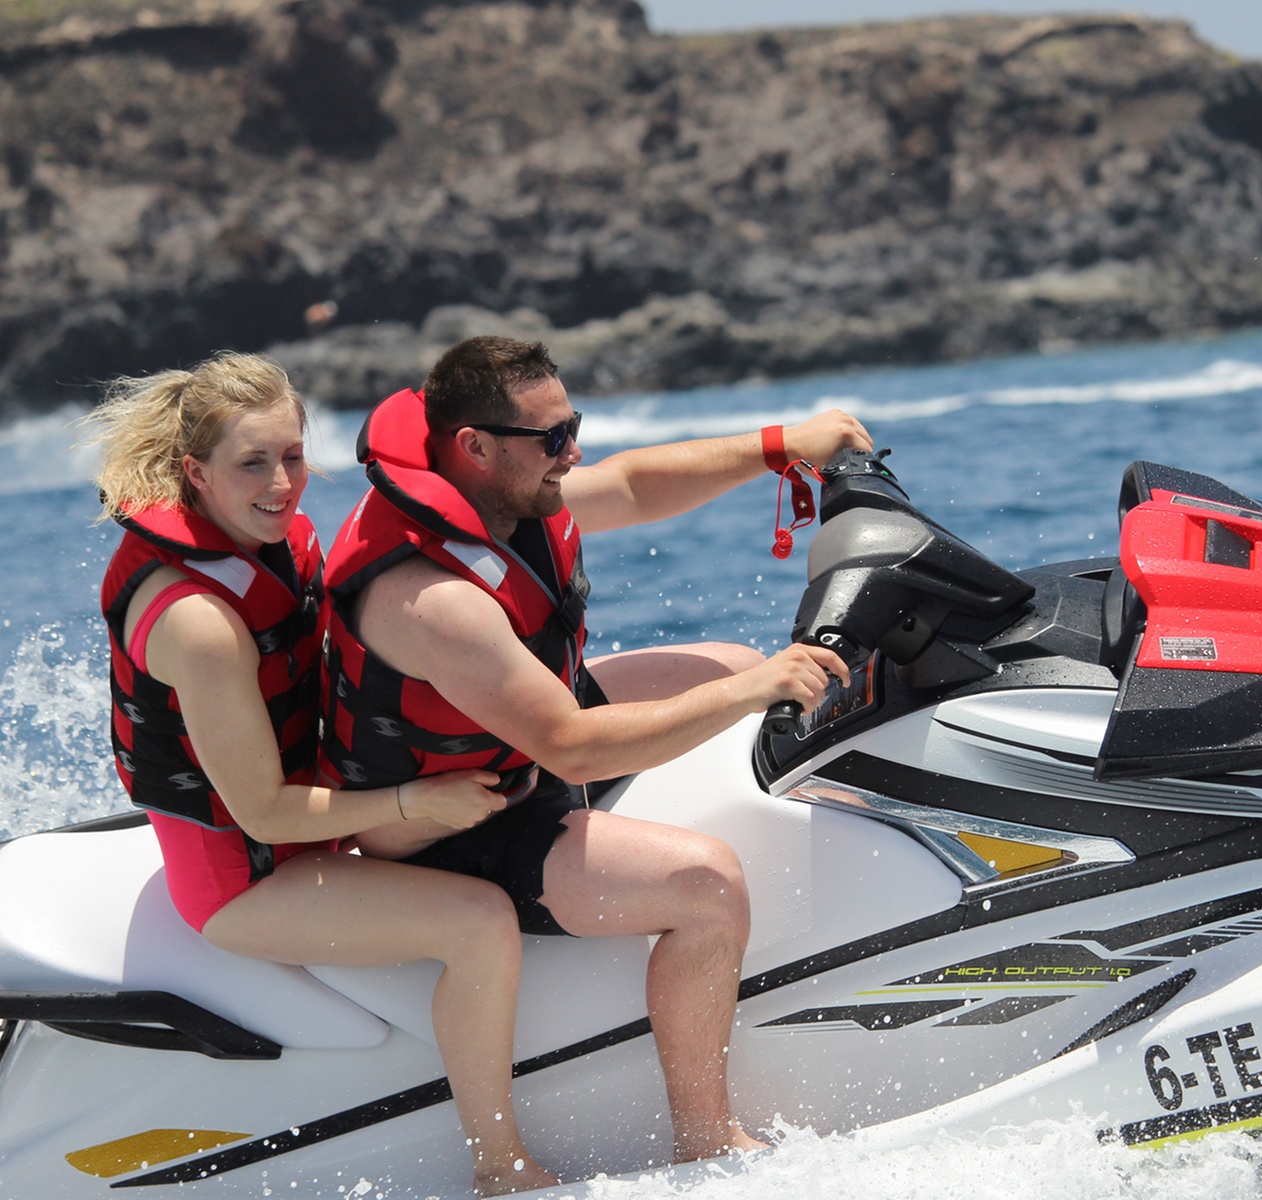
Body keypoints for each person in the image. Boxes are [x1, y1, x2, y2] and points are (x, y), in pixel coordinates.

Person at [319, 336, 865, 1162]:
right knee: (707, 884)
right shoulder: (428, 598)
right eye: (553, 437)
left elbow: (634, 485)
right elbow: (571, 749)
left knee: (733, 663)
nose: (572, 452)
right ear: (474, 446)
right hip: (463, 822)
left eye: (571, 426)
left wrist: (780, 445)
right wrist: (750, 693)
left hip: (516, 741)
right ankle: (706, 1141)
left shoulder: (505, 490)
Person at [84, 352, 561, 1197]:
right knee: (479, 923)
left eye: (293, 456)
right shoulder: (199, 623)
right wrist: (415, 798)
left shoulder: (272, 540)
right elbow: (264, 814)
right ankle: (501, 1169)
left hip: (326, 818)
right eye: (252, 463)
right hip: (249, 877)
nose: (281, 484)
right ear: (196, 473)